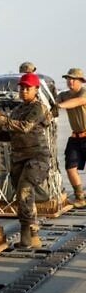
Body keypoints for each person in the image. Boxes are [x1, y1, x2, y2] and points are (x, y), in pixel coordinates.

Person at [0, 73, 52, 248]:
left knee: (25, 191)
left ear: (36, 90)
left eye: (28, 88)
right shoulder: (17, 110)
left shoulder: (38, 108)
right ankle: (31, 234)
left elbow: (25, 127)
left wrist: (2, 119)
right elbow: (8, 135)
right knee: (22, 197)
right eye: (22, 88)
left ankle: (29, 236)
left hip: (37, 158)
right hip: (19, 159)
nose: (24, 91)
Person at [56, 68, 86, 208]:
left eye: (73, 79)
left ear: (81, 81)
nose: (70, 81)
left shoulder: (83, 93)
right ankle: (80, 197)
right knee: (70, 167)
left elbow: (78, 101)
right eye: (68, 79)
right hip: (75, 136)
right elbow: (52, 102)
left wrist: (59, 106)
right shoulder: (64, 95)